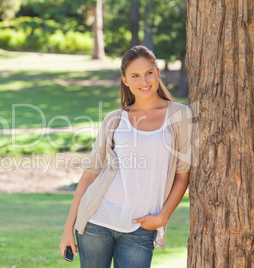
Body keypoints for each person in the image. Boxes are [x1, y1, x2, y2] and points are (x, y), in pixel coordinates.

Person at [59, 45, 193, 268]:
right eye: (135, 76)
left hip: (140, 227)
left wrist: (163, 216)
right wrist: (67, 229)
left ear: (158, 73)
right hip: (96, 220)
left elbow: (182, 174)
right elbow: (90, 174)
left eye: (149, 73)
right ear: (125, 81)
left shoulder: (179, 115)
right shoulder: (114, 119)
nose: (144, 81)